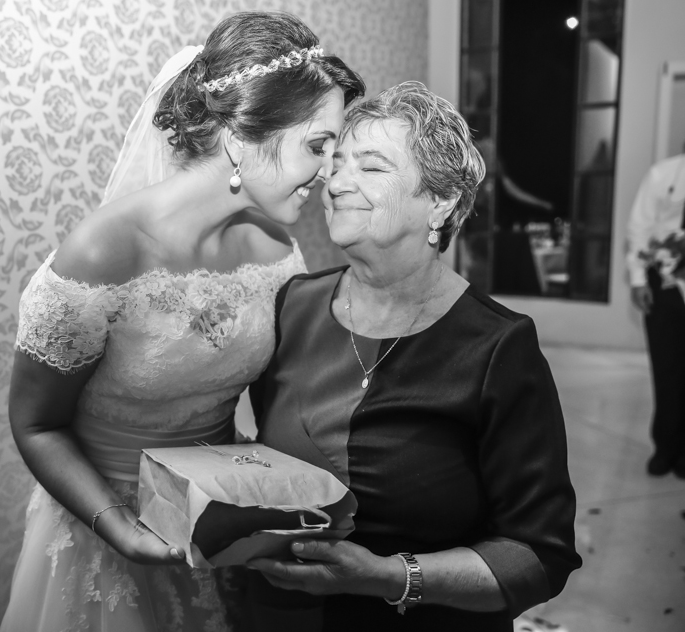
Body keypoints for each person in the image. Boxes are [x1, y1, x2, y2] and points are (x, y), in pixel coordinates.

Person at [0, 11, 365, 632]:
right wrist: (118, 527)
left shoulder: (277, 252)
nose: (330, 171)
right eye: (317, 145)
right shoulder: (101, 255)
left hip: (218, 527)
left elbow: (278, 404)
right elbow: (36, 423)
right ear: (240, 137)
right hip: (105, 531)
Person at [246, 82, 581, 631]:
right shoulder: (293, 305)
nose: (337, 183)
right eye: (337, 163)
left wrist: (386, 577)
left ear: (441, 201)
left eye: (371, 167)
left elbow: (539, 555)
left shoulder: (497, 346)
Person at [626, 149, 685, 477]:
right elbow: (640, 228)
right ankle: (666, 447)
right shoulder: (663, 174)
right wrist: (638, 279)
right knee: (667, 369)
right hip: (665, 283)